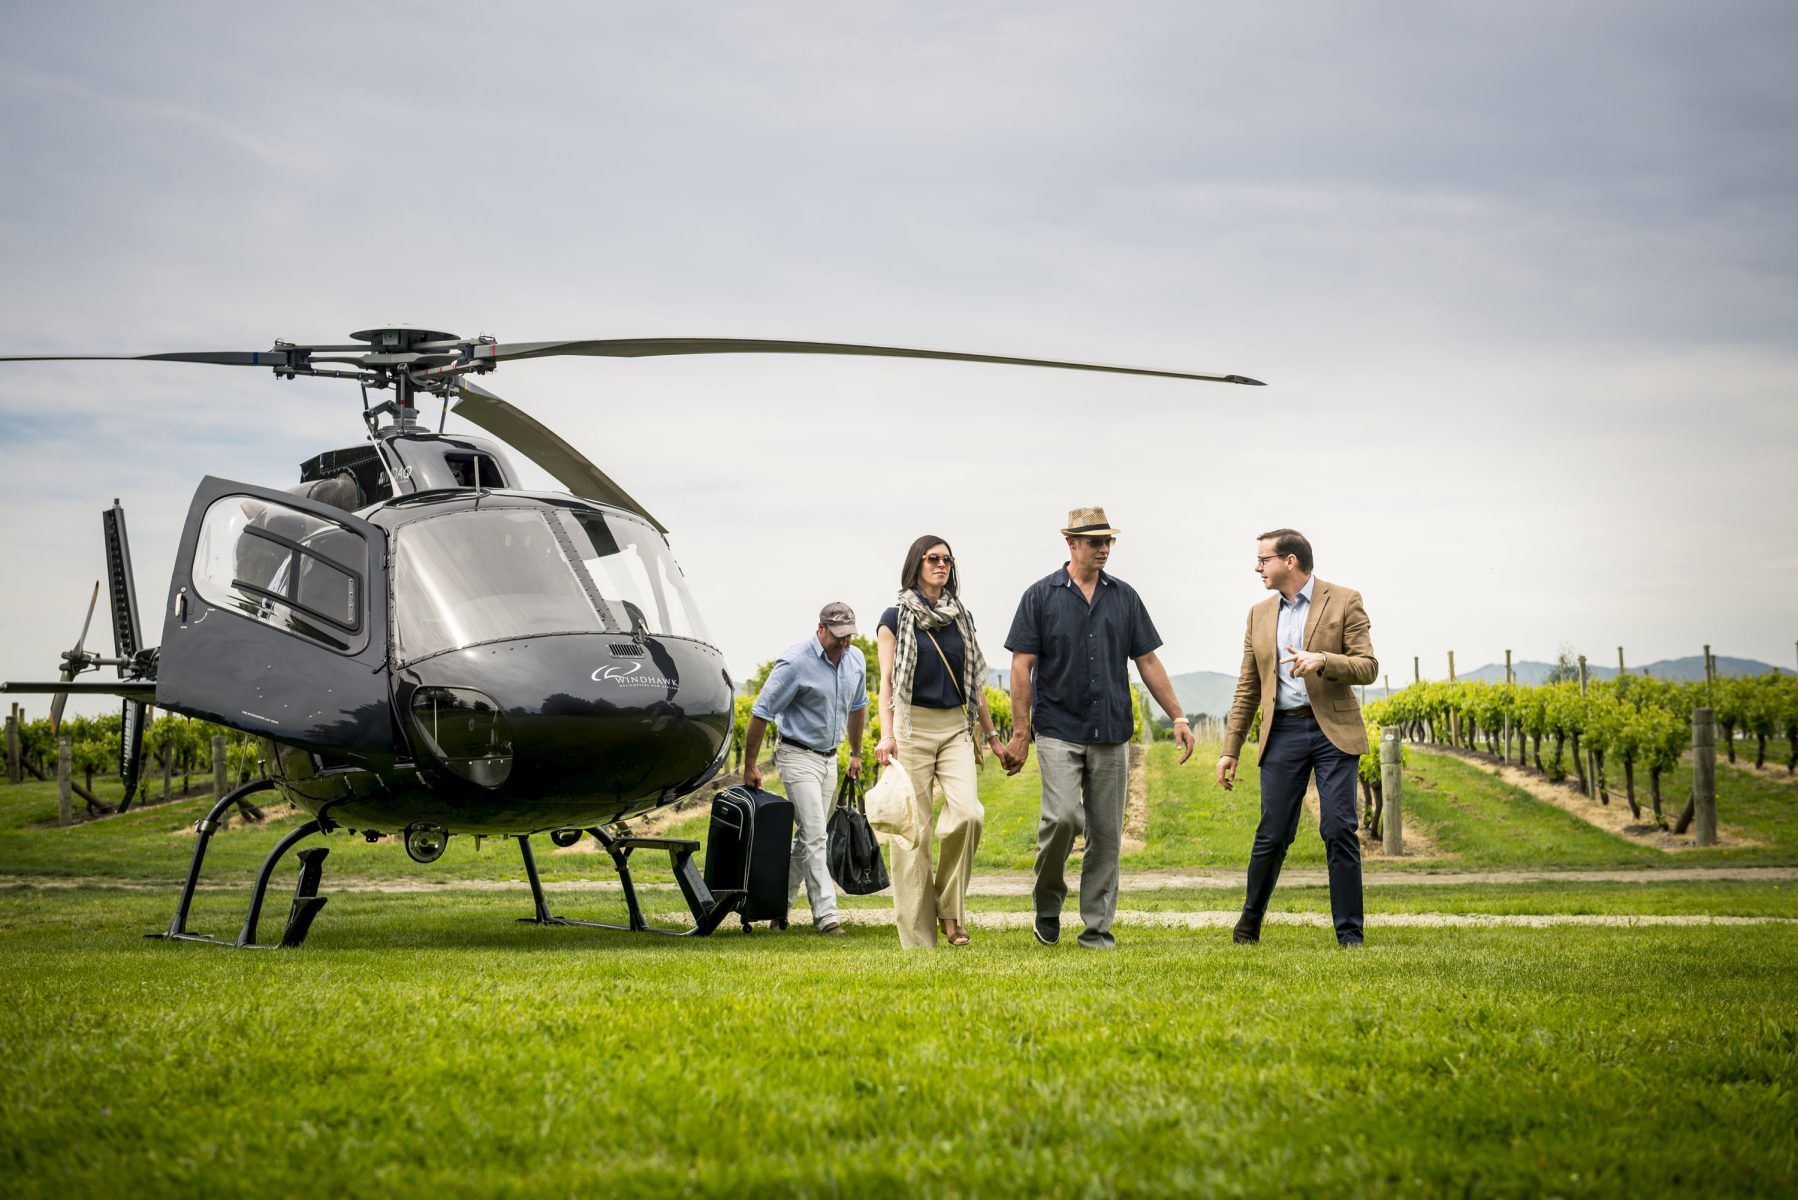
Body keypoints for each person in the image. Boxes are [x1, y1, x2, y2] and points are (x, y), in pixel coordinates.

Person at [1003, 506, 1195, 950]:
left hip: (1110, 729)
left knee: (1106, 836)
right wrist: (1019, 732)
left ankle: (1096, 929)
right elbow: (1021, 665)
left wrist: (1179, 716)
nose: (1104, 548)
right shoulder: (1040, 596)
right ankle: (1048, 904)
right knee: (1063, 817)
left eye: (1108, 541)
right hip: (1057, 728)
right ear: (1072, 544)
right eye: (1095, 541)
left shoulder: (1124, 597)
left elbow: (1147, 660)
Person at [1217, 528, 1378, 947]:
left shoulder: (1344, 600)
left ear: (1290, 561)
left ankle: (1350, 936)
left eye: (1264, 559)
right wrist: (1230, 749)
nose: (1258, 567)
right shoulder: (1258, 614)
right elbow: (1247, 686)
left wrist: (1323, 659)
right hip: (1283, 731)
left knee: (1338, 828)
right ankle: (1249, 924)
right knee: (1273, 832)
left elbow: (1368, 666)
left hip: (1333, 731)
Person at [874, 535, 1004, 948]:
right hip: (912, 725)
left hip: (954, 728)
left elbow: (976, 685)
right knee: (914, 833)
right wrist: (887, 734)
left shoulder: (961, 617)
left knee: (968, 815)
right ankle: (918, 940)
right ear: (917, 564)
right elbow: (887, 685)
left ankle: (949, 907)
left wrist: (993, 737)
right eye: (934, 558)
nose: (942, 564)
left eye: (947, 559)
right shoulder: (893, 618)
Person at [741, 602, 868, 936]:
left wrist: (855, 752)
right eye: (838, 636)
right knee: (815, 835)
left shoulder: (856, 660)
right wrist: (750, 764)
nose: (844, 643)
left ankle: (776, 907)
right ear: (821, 629)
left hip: (830, 758)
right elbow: (761, 712)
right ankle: (827, 917)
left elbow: (858, 708)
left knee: (808, 838)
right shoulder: (795, 663)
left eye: (849, 636)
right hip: (796, 755)